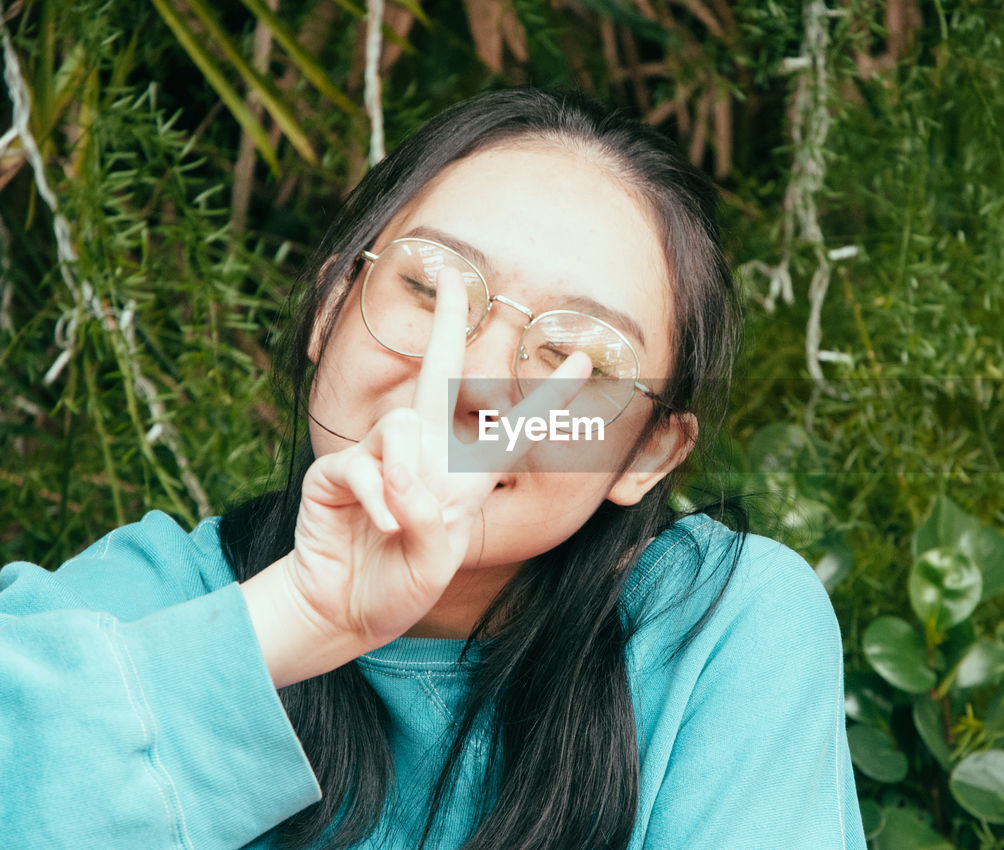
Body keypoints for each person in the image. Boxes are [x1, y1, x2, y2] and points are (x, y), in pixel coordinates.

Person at [0, 88, 866, 849]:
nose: (471, 384)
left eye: (575, 356)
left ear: (644, 453)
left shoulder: (718, 629)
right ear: (332, 308)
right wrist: (302, 614)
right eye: (432, 290)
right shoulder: (153, 602)